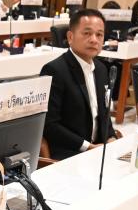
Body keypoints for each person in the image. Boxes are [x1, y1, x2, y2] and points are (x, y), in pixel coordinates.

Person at [40, 9, 116, 161]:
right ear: (70, 37)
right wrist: (88, 147)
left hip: (98, 149)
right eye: (87, 33)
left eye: (99, 35)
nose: (94, 40)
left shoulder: (101, 69)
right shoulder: (55, 70)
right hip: (69, 152)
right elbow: (49, 125)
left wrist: (111, 138)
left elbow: (104, 112)